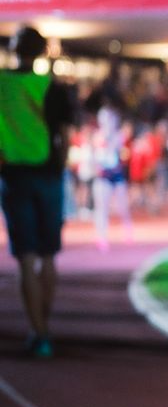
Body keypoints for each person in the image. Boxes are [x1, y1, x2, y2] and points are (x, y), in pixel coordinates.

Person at [0, 26, 75, 356]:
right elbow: (65, 136)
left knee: (26, 259)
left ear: (13, 49)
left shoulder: (1, 83)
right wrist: (60, 167)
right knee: (48, 256)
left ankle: (38, 332)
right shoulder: (51, 88)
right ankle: (44, 325)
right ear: (43, 52)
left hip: (14, 176)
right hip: (48, 175)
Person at [90, 102, 134, 248]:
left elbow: (120, 152)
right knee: (102, 207)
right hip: (103, 175)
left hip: (117, 174)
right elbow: (95, 156)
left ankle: (128, 232)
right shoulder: (97, 137)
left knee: (123, 206)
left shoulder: (118, 136)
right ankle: (102, 237)